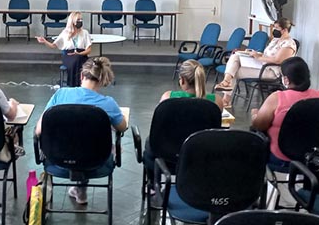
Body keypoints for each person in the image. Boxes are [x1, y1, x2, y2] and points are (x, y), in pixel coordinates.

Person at [35, 57, 127, 205]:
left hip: (57, 160)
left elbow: (39, 130)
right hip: (96, 162)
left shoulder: (61, 95)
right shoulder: (108, 103)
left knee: (72, 140)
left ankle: (73, 189)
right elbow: (122, 127)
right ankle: (81, 189)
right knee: (91, 143)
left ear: (82, 76)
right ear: (103, 80)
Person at [143, 59, 224, 207]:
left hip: (168, 158)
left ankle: (154, 186)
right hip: (201, 157)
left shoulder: (168, 97)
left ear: (182, 80)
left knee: (150, 144)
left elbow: (160, 126)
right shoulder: (216, 101)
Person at [250, 57, 319, 167]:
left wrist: (255, 115)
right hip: (315, 158)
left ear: (286, 80)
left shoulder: (277, 98)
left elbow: (259, 126)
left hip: (282, 158)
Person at [214, 18, 298, 99]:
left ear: (285, 30)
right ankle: (226, 84)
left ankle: (226, 91)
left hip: (272, 71)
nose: (274, 30)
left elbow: (278, 60)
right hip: (261, 65)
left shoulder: (289, 44)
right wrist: (253, 53)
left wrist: (259, 57)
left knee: (233, 71)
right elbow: (266, 54)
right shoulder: (275, 40)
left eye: (276, 28)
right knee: (235, 56)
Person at [37, 11, 92, 87]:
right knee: (76, 60)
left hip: (82, 55)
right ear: (73, 21)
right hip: (69, 55)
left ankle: (76, 84)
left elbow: (89, 50)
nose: (80, 21)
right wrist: (45, 41)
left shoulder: (85, 33)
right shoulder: (65, 33)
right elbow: (54, 45)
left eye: (81, 19)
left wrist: (79, 53)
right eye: (78, 20)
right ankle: (76, 85)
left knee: (79, 59)